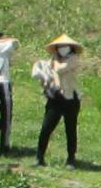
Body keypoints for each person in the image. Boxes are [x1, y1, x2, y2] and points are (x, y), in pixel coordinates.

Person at [34, 36, 84, 167]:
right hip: (55, 97)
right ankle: (39, 157)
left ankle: (71, 159)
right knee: (46, 127)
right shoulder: (52, 61)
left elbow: (60, 69)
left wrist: (51, 66)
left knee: (70, 128)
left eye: (65, 46)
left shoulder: (73, 59)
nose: (62, 49)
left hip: (70, 97)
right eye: (60, 46)